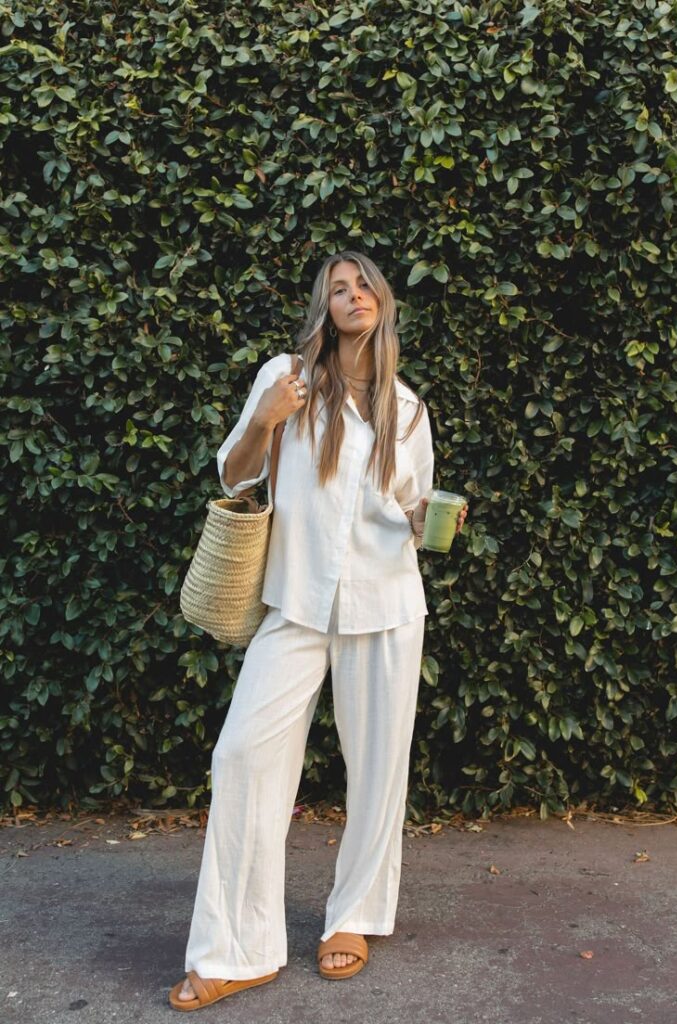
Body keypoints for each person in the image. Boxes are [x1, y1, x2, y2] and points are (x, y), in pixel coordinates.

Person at [169, 251, 468, 1011]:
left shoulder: (405, 408)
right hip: (293, 602)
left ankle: (357, 916)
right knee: (241, 754)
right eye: (338, 288)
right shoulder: (287, 378)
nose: (352, 295)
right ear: (324, 307)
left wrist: (433, 520)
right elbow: (235, 476)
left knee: (377, 770)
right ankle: (237, 947)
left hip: (385, 601)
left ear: (383, 301)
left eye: (362, 284)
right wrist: (267, 420)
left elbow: (410, 507)